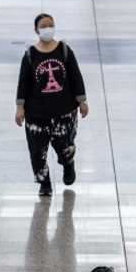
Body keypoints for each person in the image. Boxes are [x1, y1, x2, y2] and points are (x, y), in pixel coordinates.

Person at [15, 14, 89, 197]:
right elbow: (23, 83)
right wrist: (20, 107)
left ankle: (68, 164)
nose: (48, 28)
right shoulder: (30, 54)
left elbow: (75, 76)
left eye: (51, 25)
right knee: (37, 152)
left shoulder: (64, 50)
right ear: (36, 29)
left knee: (64, 146)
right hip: (36, 114)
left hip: (64, 112)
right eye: (43, 25)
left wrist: (82, 101)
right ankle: (44, 183)